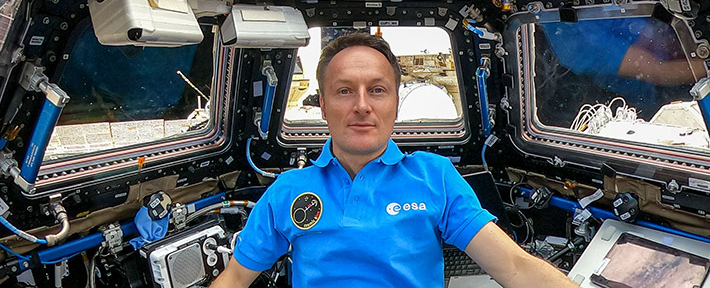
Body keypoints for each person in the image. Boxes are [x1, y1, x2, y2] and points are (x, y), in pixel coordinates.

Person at [211, 33, 578, 288]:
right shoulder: (288, 191)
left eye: (377, 90)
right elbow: (235, 279)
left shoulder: (434, 177)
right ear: (322, 105)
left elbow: (514, 266)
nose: (362, 105)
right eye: (343, 91)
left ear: (395, 102)